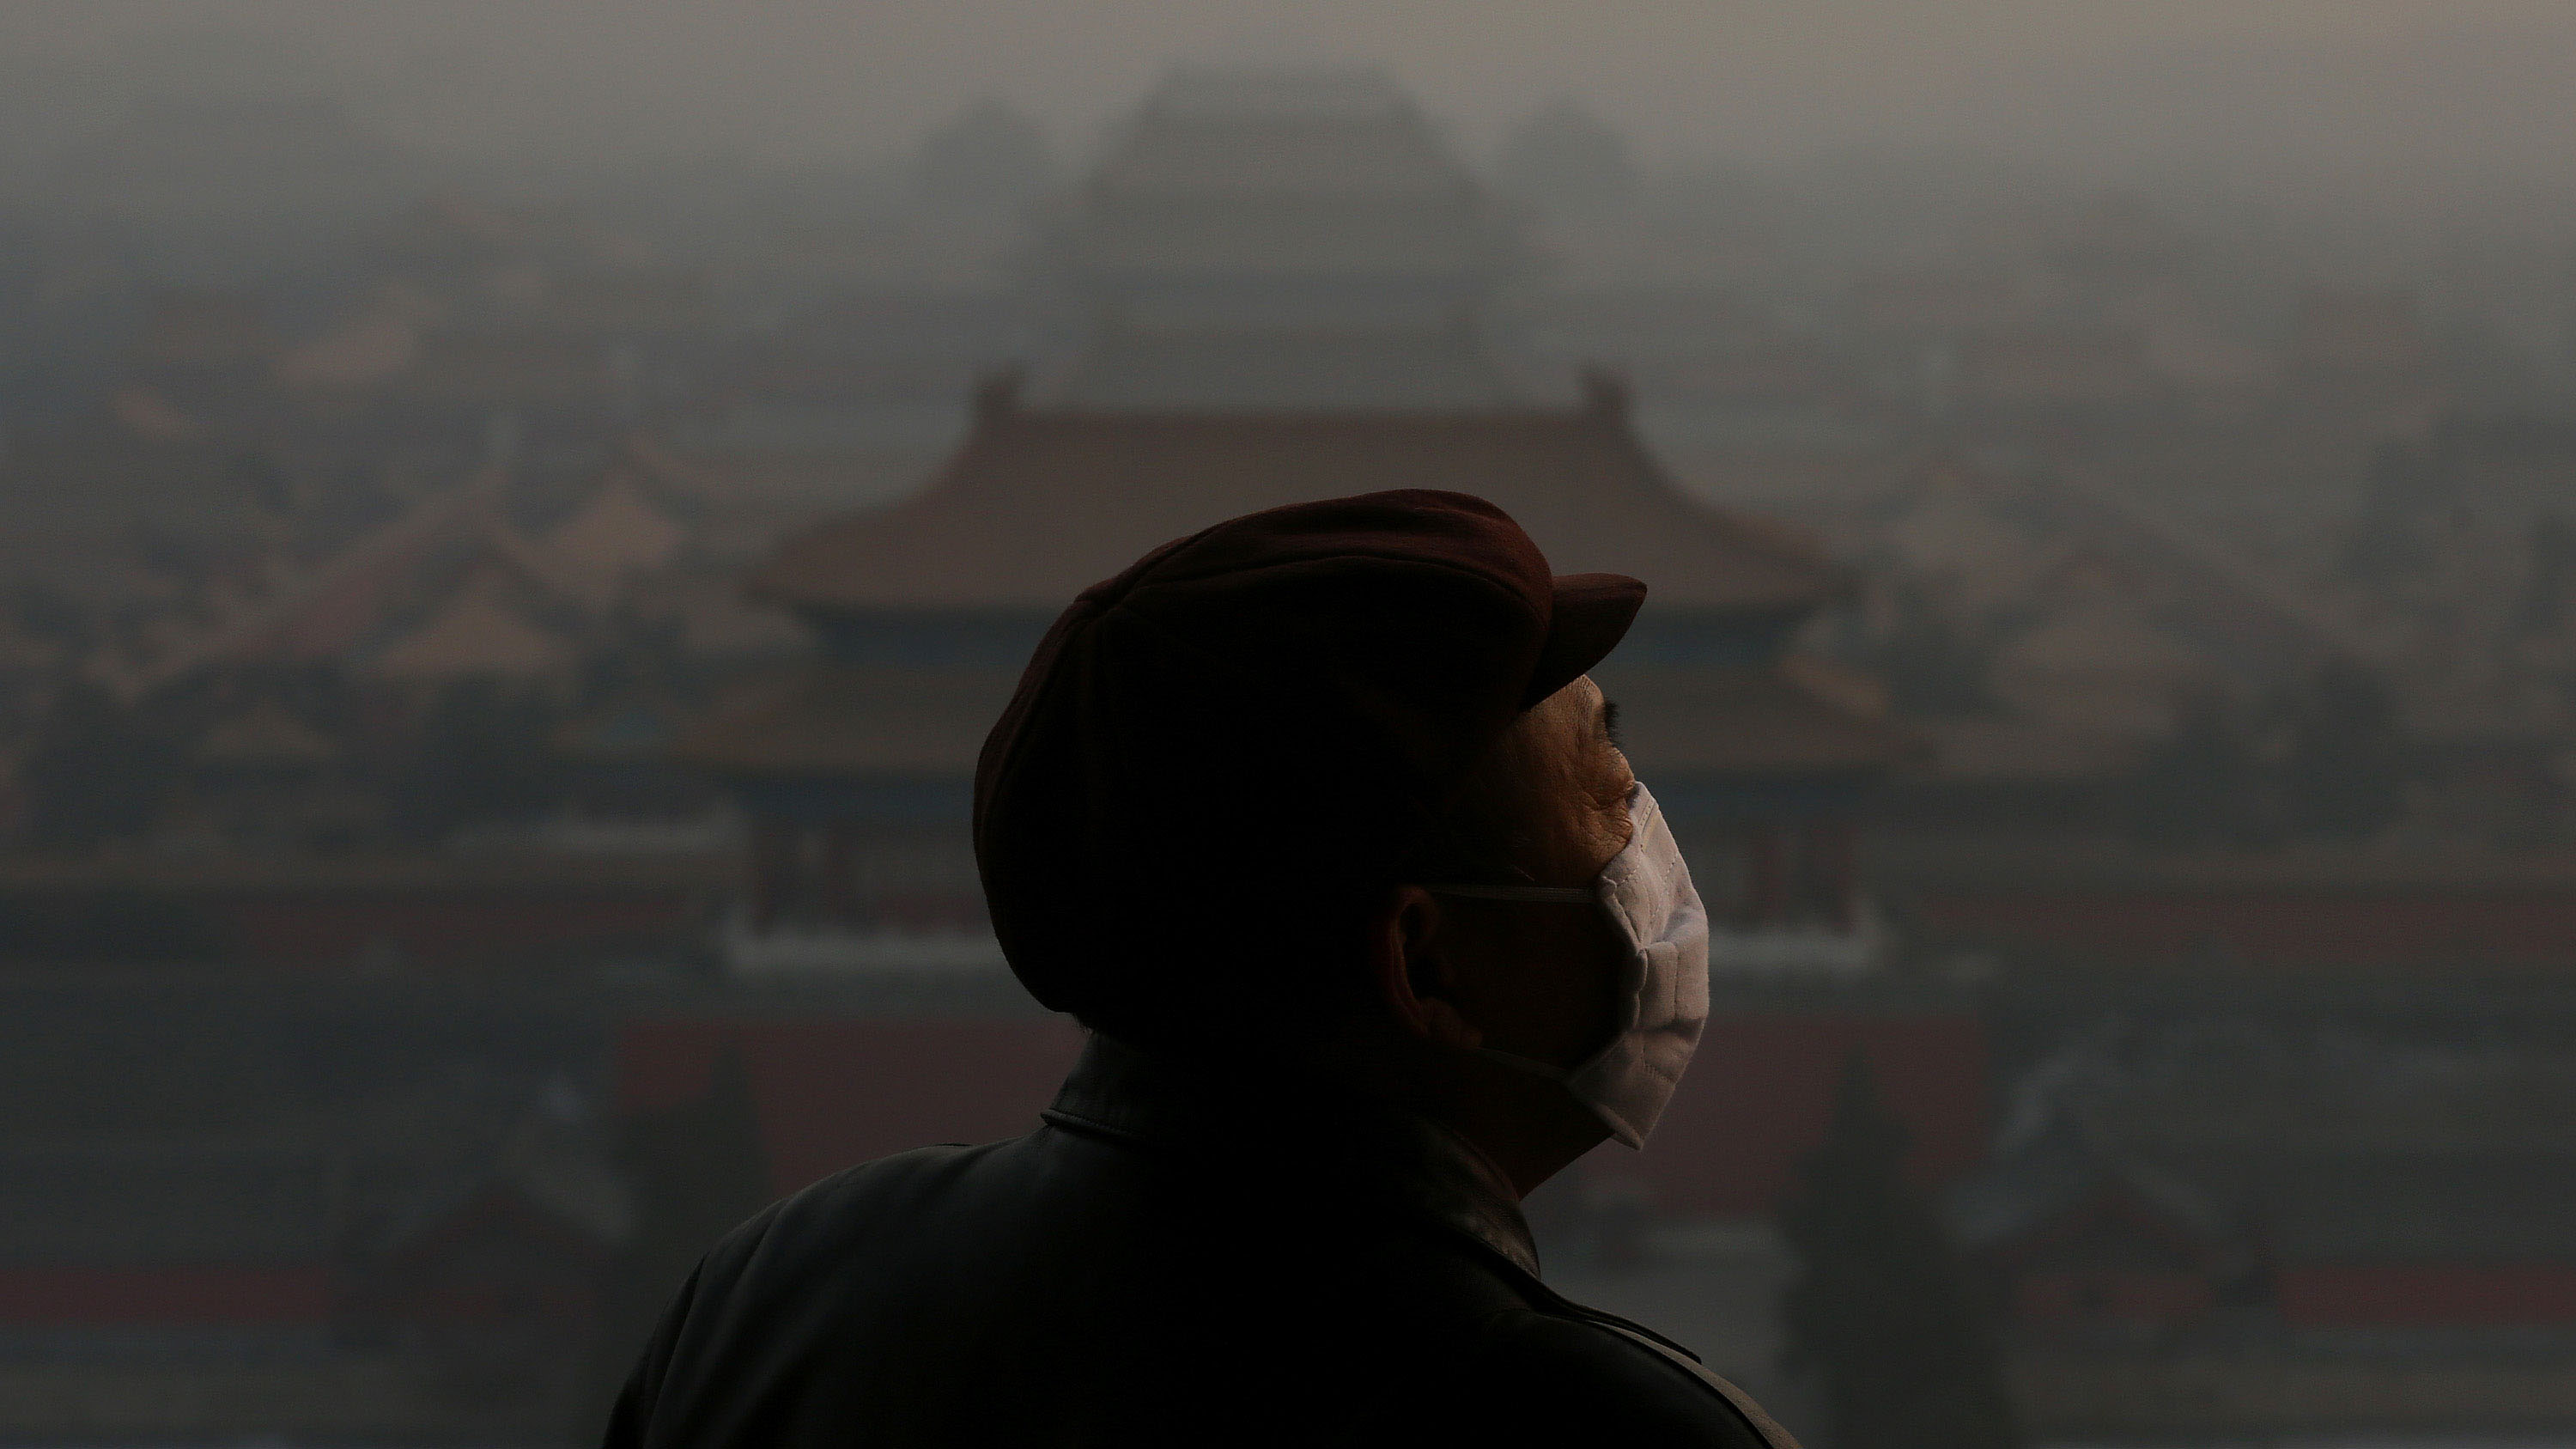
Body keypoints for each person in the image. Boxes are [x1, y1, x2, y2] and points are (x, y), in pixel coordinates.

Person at [604, 490, 1797, 1446]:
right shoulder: (1602, 1430)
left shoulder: (769, 1302)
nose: (1645, 830)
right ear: (1426, 963)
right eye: (1607, 785)